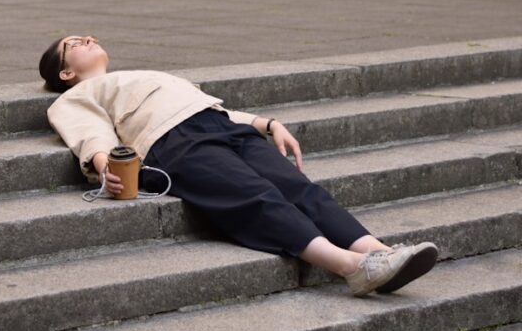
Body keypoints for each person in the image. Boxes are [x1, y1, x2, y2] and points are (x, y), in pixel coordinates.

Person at [39, 35, 438, 297]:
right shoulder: (76, 96)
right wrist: (104, 161)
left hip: (219, 125)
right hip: (172, 142)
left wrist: (267, 123)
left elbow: (214, 108)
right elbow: (89, 132)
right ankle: (352, 266)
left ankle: (380, 252)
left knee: (299, 188)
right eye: (74, 43)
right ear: (65, 72)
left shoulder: (142, 74)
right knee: (258, 198)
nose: (87, 38)